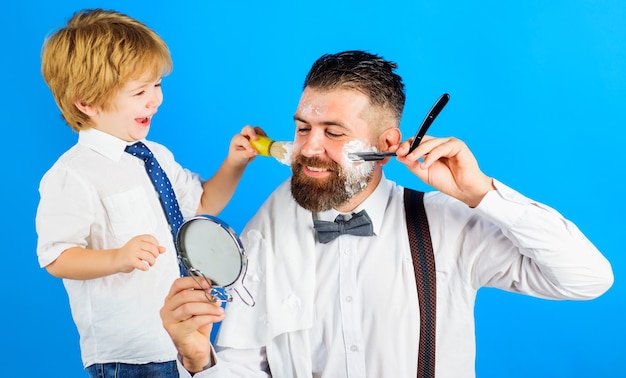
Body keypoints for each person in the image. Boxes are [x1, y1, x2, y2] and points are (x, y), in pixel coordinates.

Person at [160, 50, 614, 377]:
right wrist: (200, 359)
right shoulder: (267, 229)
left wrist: (482, 194)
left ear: (386, 144)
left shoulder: (445, 225)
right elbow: (243, 365)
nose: (309, 147)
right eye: (303, 128)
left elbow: (587, 278)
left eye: (333, 132)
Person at [35, 9, 260, 378]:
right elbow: (56, 256)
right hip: (129, 353)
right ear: (86, 102)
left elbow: (201, 204)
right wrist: (118, 257)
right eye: (139, 91)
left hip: (181, 342)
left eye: (156, 85)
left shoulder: (155, 154)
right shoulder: (72, 174)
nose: (155, 100)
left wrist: (235, 162)